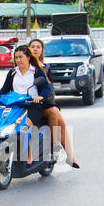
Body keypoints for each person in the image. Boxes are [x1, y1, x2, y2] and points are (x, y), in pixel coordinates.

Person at [0, 45, 51, 164]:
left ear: (28, 57)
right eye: (16, 57)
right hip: (15, 106)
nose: (18, 60)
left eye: (21, 57)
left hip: (32, 106)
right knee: (2, 123)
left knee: (25, 125)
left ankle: (30, 154)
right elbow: (4, 89)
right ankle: (3, 143)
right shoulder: (12, 73)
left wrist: (40, 96)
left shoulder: (36, 72)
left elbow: (46, 88)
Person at [29, 39, 80, 169]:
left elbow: (49, 88)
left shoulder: (45, 67)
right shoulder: (23, 65)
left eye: (38, 47)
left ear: (42, 50)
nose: (35, 49)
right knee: (55, 113)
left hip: (45, 102)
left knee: (60, 120)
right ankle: (57, 145)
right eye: (32, 47)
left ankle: (69, 156)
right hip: (29, 104)